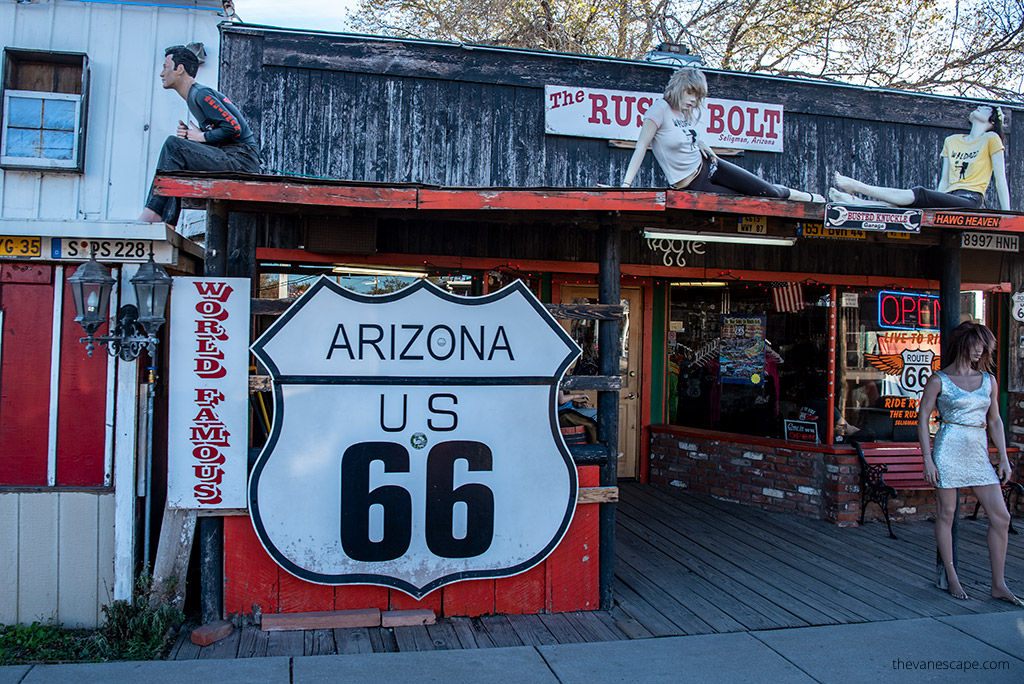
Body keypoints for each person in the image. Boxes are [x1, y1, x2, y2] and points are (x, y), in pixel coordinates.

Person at [917, 322, 1020, 605]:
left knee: (1001, 517)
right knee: (947, 514)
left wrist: (1003, 457)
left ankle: (998, 584)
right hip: (948, 448)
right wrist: (927, 459)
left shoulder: (988, 380)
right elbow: (923, 417)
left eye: (985, 346)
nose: (981, 350)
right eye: (977, 344)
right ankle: (951, 576)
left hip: (978, 452)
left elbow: (995, 420)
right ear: (964, 342)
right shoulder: (939, 380)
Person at [621, 67, 823, 202]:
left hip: (711, 164)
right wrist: (626, 185)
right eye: (691, 94)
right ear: (679, 88)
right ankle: (797, 196)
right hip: (693, 183)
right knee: (751, 201)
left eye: (698, 97)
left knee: (767, 191)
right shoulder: (659, 109)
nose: (694, 101)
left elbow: (683, 137)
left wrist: (700, 142)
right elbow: (641, 147)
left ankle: (807, 197)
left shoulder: (682, 113)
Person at [138, 45, 260, 228]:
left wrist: (200, 136)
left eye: (165, 67)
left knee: (174, 146)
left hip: (241, 160)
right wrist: (191, 136)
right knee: (178, 156)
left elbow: (233, 128)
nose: (162, 74)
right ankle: (167, 222)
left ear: (179, 69)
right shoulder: (193, 97)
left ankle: (154, 213)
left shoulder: (200, 94)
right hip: (233, 156)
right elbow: (222, 134)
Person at [830, 105, 1009, 210]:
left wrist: (1007, 214)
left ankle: (860, 188)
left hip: (969, 199)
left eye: (986, 108)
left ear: (992, 121)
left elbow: (1001, 179)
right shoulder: (952, 141)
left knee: (920, 194)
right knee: (915, 205)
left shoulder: (991, 139)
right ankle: (857, 202)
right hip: (949, 196)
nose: (980, 107)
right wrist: (936, 200)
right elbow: (944, 180)